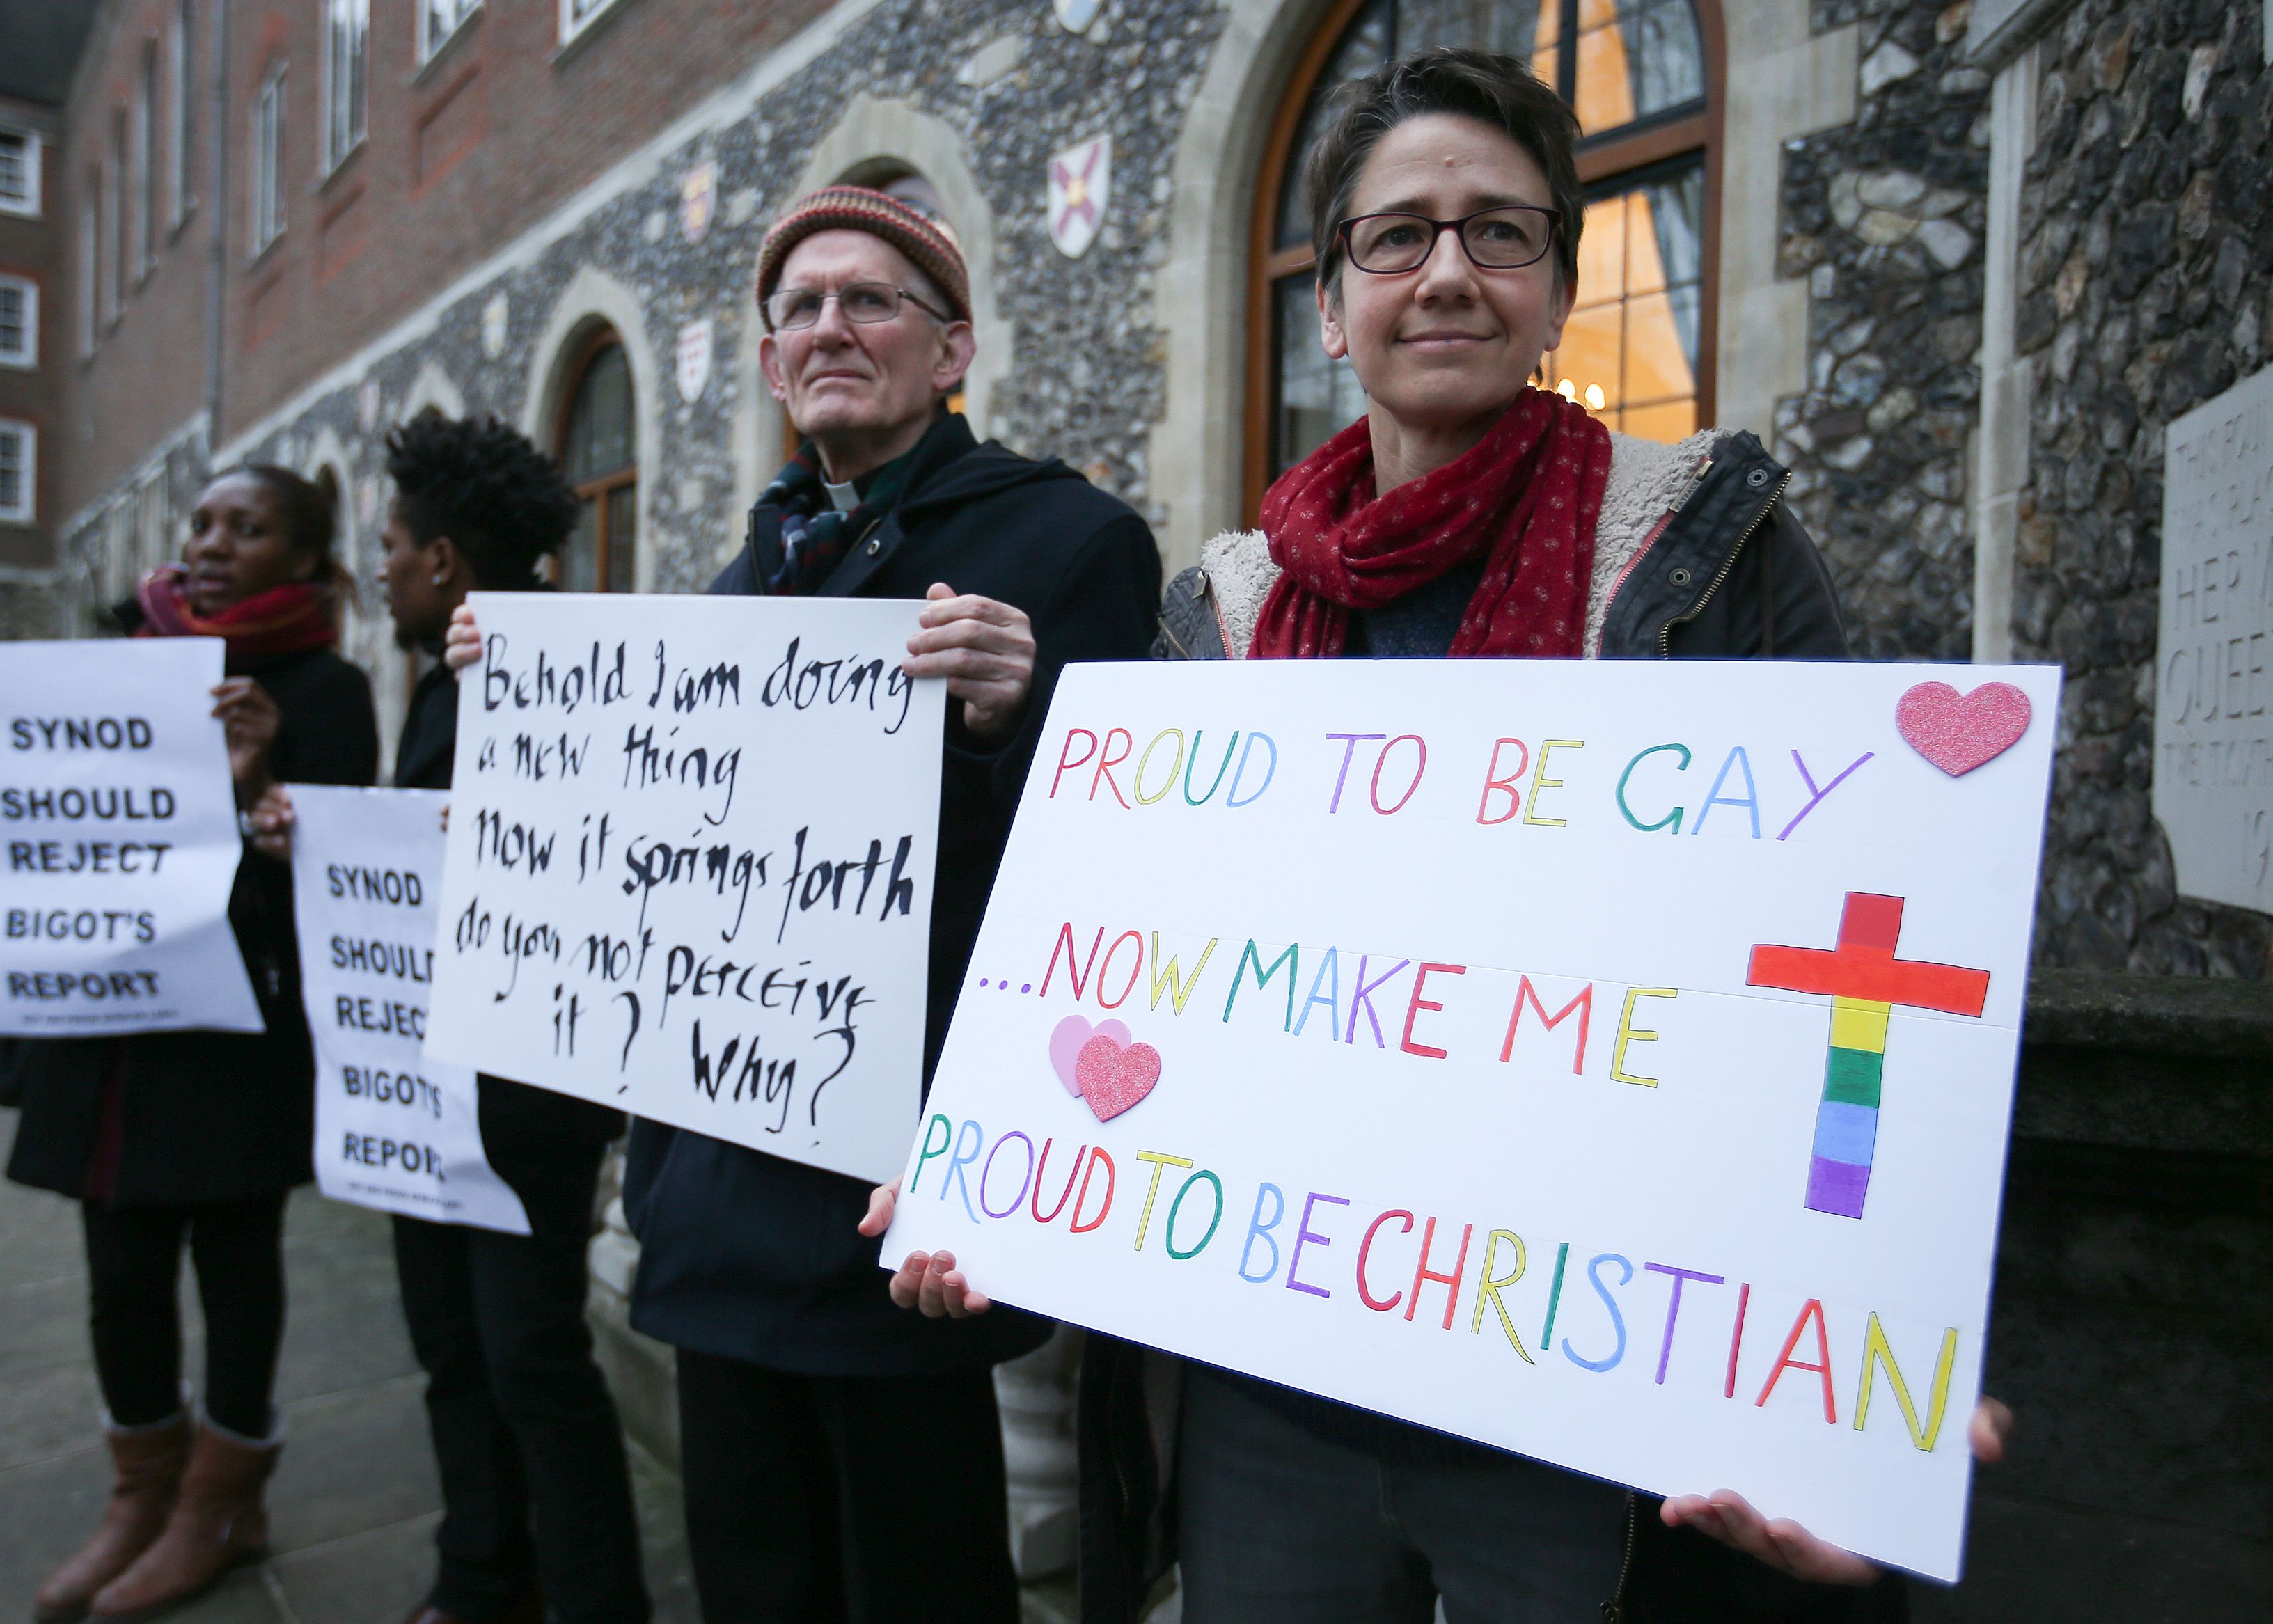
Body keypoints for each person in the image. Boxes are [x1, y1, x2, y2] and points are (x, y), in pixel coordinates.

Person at [858, 47, 2013, 1624]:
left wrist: (1867, 1352)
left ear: (1557, 285)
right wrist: (1002, 1179)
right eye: (1395, 235)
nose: (1447, 273)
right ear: (1329, 304)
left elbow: (1849, 959)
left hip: (1586, 1408)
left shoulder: (1709, 551)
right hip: (1270, 1393)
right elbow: (1138, 954)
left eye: (1499, 232)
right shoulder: (1220, 611)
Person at [443, 183, 1163, 1623]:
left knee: (915, 1579)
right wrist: (524, 727)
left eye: (872, 299)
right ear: (771, 367)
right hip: (709, 1192)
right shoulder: (738, 581)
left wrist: (1015, 713)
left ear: (951, 350)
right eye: (801, 308)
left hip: (886, 1196)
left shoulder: (1068, 544)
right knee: (752, 1575)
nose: (832, 325)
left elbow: (1113, 870)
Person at [0, 466, 377, 1624]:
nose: (212, 544)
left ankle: (225, 1505)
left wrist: (270, 776)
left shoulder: (324, 688)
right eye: (203, 524)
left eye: (249, 527)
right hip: (104, 1028)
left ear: (307, 559)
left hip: (232, 1045)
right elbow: (41, 816)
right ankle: (143, 1493)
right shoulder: (114, 656)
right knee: (118, 1271)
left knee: (234, 1265)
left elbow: (346, 887)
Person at [251, 413, 649, 1624]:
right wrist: (311, 833)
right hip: (430, 1080)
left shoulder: (554, 668)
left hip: (524, 1099)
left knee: (531, 1358)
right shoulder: (443, 679)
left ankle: (594, 1601)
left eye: (390, 546)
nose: (374, 569)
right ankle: (481, 1577)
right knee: (452, 1347)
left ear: (443, 563)